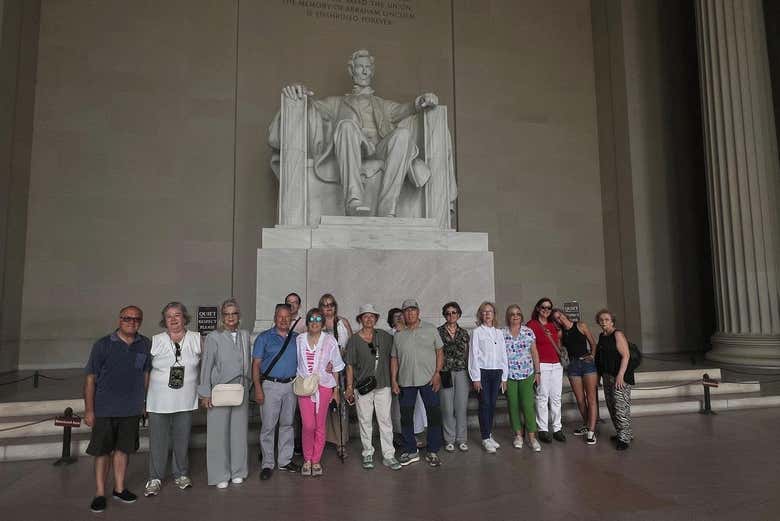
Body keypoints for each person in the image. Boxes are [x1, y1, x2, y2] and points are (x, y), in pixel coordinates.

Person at [278, 49, 446, 217]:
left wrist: (422, 100)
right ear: (351, 71)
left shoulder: (383, 105)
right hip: (354, 145)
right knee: (346, 126)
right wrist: (299, 92)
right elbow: (312, 107)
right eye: (360, 67)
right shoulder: (336, 103)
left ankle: (388, 207)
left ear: (372, 71)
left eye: (368, 67)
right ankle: (353, 201)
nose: (365, 71)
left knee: (402, 135)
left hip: (380, 148)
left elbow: (406, 109)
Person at [83, 305, 151, 513]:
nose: (132, 322)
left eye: (136, 319)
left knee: (123, 450)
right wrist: (89, 410)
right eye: (127, 318)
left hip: (131, 408)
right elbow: (90, 378)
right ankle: (100, 492)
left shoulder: (145, 344)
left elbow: (146, 374)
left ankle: (120, 488)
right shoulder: (103, 345)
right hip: (105, 407)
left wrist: (144, 402)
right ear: (119, 320)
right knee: (103, 452)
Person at [144, 302, 201, 497]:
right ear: (164, 320)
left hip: (185, 399)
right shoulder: (155, 340)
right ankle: (155, 477)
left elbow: (208, 365)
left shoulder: (196, 338)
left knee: (182, 439)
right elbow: (144, 371)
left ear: (185, 318)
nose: (174, 319)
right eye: (169, 316)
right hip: (158, 400)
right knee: (158, 441)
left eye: (177, 315)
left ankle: (181, 474)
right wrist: (142, 399)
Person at [198, 298, 251, 488]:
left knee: (239, 433)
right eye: (227, 314)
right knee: (217, 434)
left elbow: (248, 363)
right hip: (219, 390)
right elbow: (206, 366)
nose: (230, 317)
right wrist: (205, 393)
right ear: (222, 317)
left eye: (234, 313)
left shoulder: (245, 335)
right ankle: (220, 474)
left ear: (239, 315)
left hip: (240, 389)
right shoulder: (214, 337)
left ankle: (238, 471)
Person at [344, 304, 401, 470]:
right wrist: (349, 387)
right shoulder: (354, 340)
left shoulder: (384, 336)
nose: (369, 319)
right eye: (365, 316)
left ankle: (389, 455)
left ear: (376, 319)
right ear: (360, 319)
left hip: (383, 385)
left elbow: (395, 356)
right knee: (365, 421)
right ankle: (367, 452)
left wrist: (395, 380)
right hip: (362, 388)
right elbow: (349, 365)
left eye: (372, 316)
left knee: (385, 421)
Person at [390, 299, 444, 467]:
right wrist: (393, 380)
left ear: (418, 312)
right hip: (406, 381)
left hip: (428, 380)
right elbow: (394, 358)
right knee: (406, 417)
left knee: (433, 414)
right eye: (406, 311)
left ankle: (433, 450)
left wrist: (437, 373)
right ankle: (411, 450)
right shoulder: (398, 333)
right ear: (403, 314)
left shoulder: (430, 329)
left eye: (413, 310)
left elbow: (439, 352)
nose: (410, 313)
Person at [252, 303, 301, 480]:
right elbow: (256, 364)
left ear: (291, 319)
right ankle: (267, 463)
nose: (283, 320)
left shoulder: (297, 338)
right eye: (280, 316)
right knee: (268, 426)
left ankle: (285, 460)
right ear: (274, 318)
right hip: (270, 386)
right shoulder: (264, 338)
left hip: (291, 386)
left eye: (287, 317)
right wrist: (258, 388)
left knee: (287, 424)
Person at [296, 308, 346, 476]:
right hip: (304, 386)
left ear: (323, 324)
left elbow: (337, 366)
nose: (315, 322)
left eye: (318, 320)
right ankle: (307, 457)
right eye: (312, 319)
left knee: (320, 424)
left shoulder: (330, 340)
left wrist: (336, 391)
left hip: (324, 386)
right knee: (308, 425)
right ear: (308, 323)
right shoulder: (299, 339)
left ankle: (315, 460)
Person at [552, 308, 599, 445]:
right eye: (556, 318)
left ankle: (591, 431)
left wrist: (593, 356)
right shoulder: (561, 333)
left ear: (564, 314)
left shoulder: (581, 325)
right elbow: (560, 350)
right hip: (573, 366)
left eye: (559, 316)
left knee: (591, 398)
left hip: (587, 363)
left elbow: (593, 343)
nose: (559, 319)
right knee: (580, 399)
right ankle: (587, 424)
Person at [468, 301, 509, 453]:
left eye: (489, 311)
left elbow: (503, 355)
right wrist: (475, 377)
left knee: (492, 404)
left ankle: (489, 434)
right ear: (480, 314)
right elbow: (473, 355)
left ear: (494, 314)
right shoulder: (477, 332)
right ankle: (485, 438)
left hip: (497, 372)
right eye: (484, 312)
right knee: (484, 404)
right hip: (483, 372)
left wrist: (504, 377)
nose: (487, 314)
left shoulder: (499, 333)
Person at [502, 305, 542, 452]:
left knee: (527, 405)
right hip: (510, 375)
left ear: (521, 316)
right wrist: (502, 378)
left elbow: (534, 352)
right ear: (508, 316)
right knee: (513, 405)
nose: (515, 316)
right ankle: (518, 435)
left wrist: (538, 373)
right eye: (512, 314)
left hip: (527, 373)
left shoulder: (528, 331)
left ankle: (532, 437)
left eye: (518, 313)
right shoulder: (502, 333)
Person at [526, 298, 565, 443]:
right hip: (542, 364)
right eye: (543, 307)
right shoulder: (532, 325)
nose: (546, 310)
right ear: (537, 308)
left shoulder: (553, 324)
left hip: (556, 365)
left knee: (556, 397)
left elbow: (559, 342)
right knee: (542, 396)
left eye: (549, 308)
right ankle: (542, 428)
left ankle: (557, 428)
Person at [595, 309, 634, 450]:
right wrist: (600, 375)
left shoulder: (617, 334)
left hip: (620, 377)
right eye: (601, 320)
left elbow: (626, 356)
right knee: (612, 406)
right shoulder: (602, 336)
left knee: (621, 407)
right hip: (607, 376)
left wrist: (620, 375)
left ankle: (624, 439)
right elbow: (600, 358)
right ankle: (623, 433)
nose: (604, 322)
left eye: (606, 319)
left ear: (612, 321)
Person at [319, 293, 353, 458]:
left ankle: (340, 442)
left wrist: (342, 355)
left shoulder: (343, 323)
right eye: (325, 305)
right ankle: (323, 440)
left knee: (340, 408)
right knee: (324, 407)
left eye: (331, 304)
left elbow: (352, 345)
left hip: (341, 371)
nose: (328, 307)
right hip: (323, 373)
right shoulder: (317, 323)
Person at [437, 302, 471, 452]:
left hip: (461, 372)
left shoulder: (464, 333)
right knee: (447, 407)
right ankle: (449, 439)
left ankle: (462, 439)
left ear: (458, 314)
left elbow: (467, 353)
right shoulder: (438, 332)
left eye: (454, 312)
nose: (451, 315)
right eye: (448, 313)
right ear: (445, 315)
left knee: (461, 407)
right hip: (445, 372)